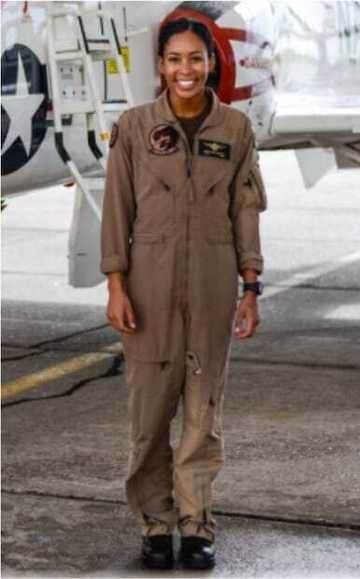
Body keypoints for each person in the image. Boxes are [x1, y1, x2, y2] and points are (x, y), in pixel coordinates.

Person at [100, 18, 266, 571]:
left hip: (214, 286)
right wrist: (116, 284)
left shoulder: (236, 130)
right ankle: (153, 524)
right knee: (149, 417)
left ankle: (196, 525)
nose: (185, 70)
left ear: (211, 63)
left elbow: (245, 211)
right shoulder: (134, 127)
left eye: (195, 59)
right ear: (161, 66)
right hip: (148, 285)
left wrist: (251, 285)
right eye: (174, 60)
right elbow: (118, 212)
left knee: (203, 415)